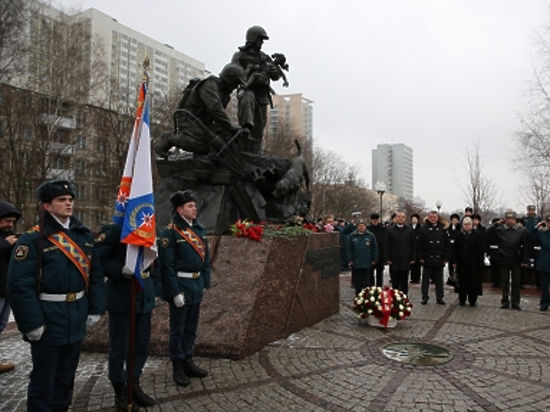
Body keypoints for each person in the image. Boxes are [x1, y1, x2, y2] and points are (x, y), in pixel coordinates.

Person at [7, 180, 106, 411]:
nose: (68, 203)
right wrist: (32, 323)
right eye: (61, 200)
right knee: (44, 379)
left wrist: (95, 308)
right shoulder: (33, 240)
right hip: (48, 316)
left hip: (77, 312)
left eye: (70, 199)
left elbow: (96, 275)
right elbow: (20, 285)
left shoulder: (83, 237)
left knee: (66, 377)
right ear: (47, 206)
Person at [94, 223, 157, 410]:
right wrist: (119, 269)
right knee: (120, 348)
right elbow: (97, 257)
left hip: (143, 296)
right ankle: (120, 390)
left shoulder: (147, 226)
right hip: (122, 297)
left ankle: (133, 384)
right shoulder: (115, 230)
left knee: (142, 345)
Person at [158, 190, 211, 387]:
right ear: (180, 210)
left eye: (194, 205)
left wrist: (205, 282)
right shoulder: (169, 233)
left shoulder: (199, 230)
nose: (194, 208)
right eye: (190, 206)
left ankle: (188, 360)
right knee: (178, 329)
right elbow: (167, 266)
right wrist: (174, 292)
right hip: (180, 286)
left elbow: (205, 260)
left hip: (196, 285)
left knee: (191, 328)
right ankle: (178, 366)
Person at [155, 63, 247, 157]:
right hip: (189, 120)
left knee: (225, 140)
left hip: (204, 123)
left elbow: (217, 118)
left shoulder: (225, 95)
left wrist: (230, 131)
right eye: (236, 83)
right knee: (202, 146)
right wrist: (229, 126)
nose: (236, 87)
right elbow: (215, 109)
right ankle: (170, 138)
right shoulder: (210, 85)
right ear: (229, 79)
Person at [232, 26, 286, 153]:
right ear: (253, 39)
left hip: (262, 95)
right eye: (260, 39)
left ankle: (256, 151)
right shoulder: (240, 55)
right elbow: (233, 72)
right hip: (248, 89)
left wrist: (275, 73)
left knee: (260, 125)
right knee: (247, 100)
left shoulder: (265, 57)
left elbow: (275, 76)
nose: (261, 43)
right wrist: (248, 75)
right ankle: (245, 130)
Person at [0, 201, 21, 373]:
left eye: (12, 222)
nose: (9, 225)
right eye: (6, 221)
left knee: (1, 325)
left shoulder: (9, 236)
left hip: (6, 290)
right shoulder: (4, 240)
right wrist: (6, 244)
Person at [492, 211, 527, 310]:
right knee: (505, 283)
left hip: (516, 259)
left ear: (515, 220)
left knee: (516, 283)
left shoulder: (521, 230)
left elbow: (525, 246)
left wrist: (524, 259)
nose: (510, 221)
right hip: (504, 259)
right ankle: (505, 301)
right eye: (508, 219)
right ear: (505, 219)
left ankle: (515, 302)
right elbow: (488, 233)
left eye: (512, 219)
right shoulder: (500, 229)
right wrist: (496, 224)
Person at [451, 217, 484, 306]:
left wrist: (480, 262)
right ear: (462, 225)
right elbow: (455, 250)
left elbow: (480, 250)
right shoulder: (458, 235)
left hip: (474, 264)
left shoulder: (477, 235)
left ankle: (472, 300)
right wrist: (454, 262)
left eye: (469, 224)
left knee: (473, 283)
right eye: (465, 225)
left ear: (472, 225)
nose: (467, 226)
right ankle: (462, 300)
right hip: (462, 264)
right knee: (462, 283)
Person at [419, 210, 450, 305]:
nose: (433, 219)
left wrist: (446, 258)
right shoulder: (423, 229)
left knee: (439, 281)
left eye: (435, 217)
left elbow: (447, 245)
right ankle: (425, 297)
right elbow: (419, 244)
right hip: (427, 258)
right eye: (431, 217)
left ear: (438, 218)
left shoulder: (443, 229)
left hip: (439, 259)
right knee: (425, 281)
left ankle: (440, 298)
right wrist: (421, 257)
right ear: (428, 218)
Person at [384, 211, 416, 295]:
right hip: (393, 260)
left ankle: (404, 299)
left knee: (404, 282)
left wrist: (413, 258)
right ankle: (395, 300)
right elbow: (386, 245)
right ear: (396, 218)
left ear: (405, 219)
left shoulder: (410, 230)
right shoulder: (389, 230)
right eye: (399, 216)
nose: (400, 218)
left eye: (402, 217)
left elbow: (413, 245)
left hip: (405, 260)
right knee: (395, 283)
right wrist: (387, 258)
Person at [346, 220, 378, 295]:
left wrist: (374, 259)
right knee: (357, 281)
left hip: (367, 262)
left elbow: (375, 248)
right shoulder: (352, 236)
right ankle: (358, 296)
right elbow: (348, 249)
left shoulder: (370, 235)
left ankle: (366, 296)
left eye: (363, 226)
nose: (361, 227)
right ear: (357, 227)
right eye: (359, 226)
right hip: (356, 262)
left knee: (367, 281)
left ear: (365, 227)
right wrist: (350, 259)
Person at [531, 216, 550, 311]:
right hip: (545, 263)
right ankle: (544, 303)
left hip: (545, 262)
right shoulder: (542, 233)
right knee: (544, 286)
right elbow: (531, 237)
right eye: (548, 222)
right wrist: (536, 227)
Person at [367, 213, 386, 287]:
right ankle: (371, 291)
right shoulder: (368, 229)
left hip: (380, 254)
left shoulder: (383, 229)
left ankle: (379, 290)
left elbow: (385, 242)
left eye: (376, 219)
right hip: (370, 255)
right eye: (373, 220)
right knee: (370, 275)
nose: (375, 221)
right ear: (371, 220)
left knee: (379, 275)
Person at [446, 213, 460, 288]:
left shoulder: (460, 228)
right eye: (453, 220)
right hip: (450, 249)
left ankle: (457, 279)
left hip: (457, 249)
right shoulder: (448, 229)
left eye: (456, 220)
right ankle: (451, 278)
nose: (454, 221)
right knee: (450, 265)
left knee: (457, 265)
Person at [409, 213, 422, 284]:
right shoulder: (409, 227)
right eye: (413, 219)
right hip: (411, 248)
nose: (414, 220)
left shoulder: (420, 228)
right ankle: (412, 278)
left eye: (415, 219)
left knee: (417, 264)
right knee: (412, 264)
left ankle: (417, 278)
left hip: (418, 248)